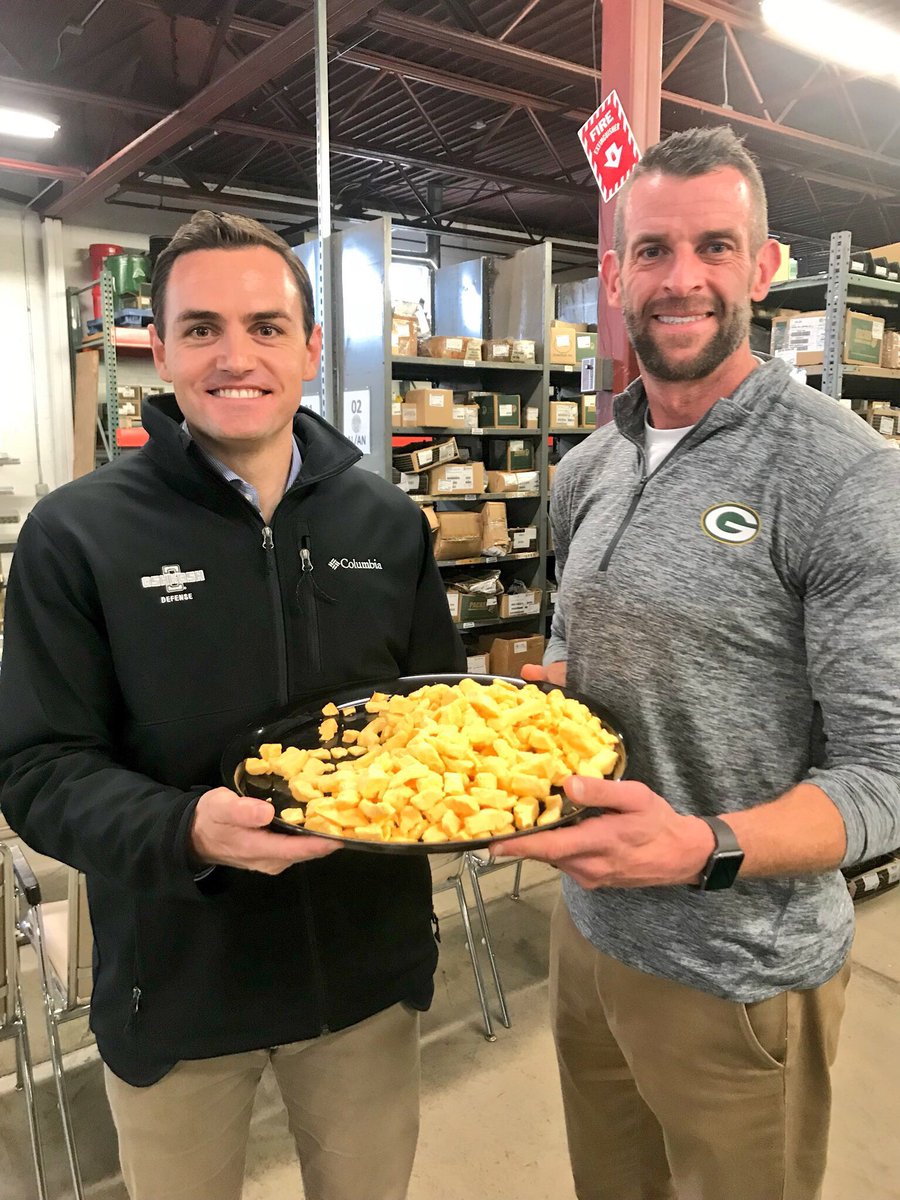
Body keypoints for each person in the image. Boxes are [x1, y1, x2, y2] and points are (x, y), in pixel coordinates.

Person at [0, 210, 464, 1200]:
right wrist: (188, 832)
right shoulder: (76, 535)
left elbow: (442, 717)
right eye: (202, 328)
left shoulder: (386, 521)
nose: (235, 356)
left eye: (265, 327)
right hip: (178, 986)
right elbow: (38, 768)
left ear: (310, 347)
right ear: (160, 348)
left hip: (362, 982)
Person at [494, 126, 900, 1200]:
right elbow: (576, 649)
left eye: (714, 247)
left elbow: (888, 776)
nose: (682, 279)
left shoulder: (844, 476)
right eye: (654, 250)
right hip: (589, 936)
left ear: (762, 268)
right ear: (616, 275)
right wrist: (545, 708)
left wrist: (701, 848)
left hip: (740, 975)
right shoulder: (589, 464)